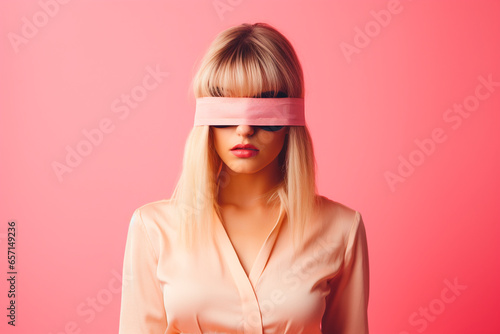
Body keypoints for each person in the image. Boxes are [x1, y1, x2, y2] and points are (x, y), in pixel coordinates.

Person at [119, 22, 370, 334]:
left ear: (292, 117)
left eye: (264, 106)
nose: (244, 129)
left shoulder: (341, 229)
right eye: (226, 108)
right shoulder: (153, 229)